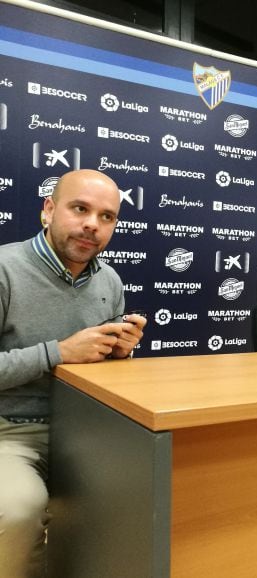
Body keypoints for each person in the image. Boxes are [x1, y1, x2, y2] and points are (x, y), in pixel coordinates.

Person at [0, 169, 147, 577]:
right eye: (80, 209)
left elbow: (102, 373)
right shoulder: (4, 268)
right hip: (12, 431)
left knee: (147, 491)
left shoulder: (109, 280)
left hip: (87, 432)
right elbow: (64, 355)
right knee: (17, 508)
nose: (92, 225)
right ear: (48, 210)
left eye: (106, 217)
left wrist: (120, 355)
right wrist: (59, 352)